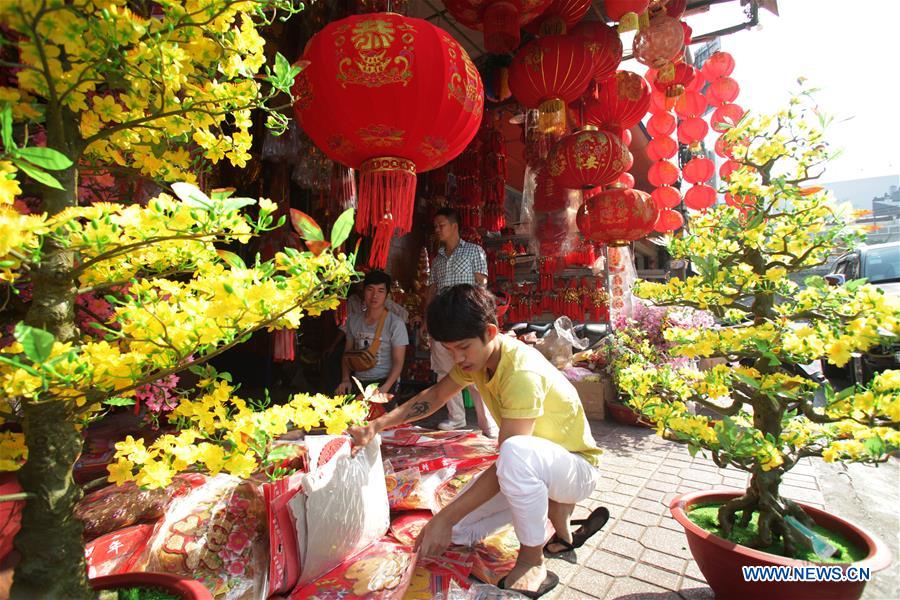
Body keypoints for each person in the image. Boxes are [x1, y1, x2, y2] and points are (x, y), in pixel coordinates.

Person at [349, 285, 608, 598]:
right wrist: (375, 425)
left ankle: (532, 559)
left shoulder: (520, 371)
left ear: (490, 331)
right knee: (456, 532)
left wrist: (445, 517)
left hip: (577, 468)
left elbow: (509, 462)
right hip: (541, 462)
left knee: (511, 457)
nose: (457, 358)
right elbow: (434, 397)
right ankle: (560, 524)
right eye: (449, 349)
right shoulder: (479, 360)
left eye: (463, 348)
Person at [426, 207, 499, 437]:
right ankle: (456, 418)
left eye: (442, 225)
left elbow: (482, 285)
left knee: (476, 368)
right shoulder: (436, 259)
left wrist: (478, 316)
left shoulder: (474, 251)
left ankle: (487, 422)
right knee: (444, 370)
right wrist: (427, 319)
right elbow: (432, 290)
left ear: (454, 226)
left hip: (466, 315)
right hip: (441, 317)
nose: (437, 230)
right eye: (435, 226)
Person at [336, 270, 408, 396]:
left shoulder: (396, 324)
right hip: (358, 381)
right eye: (370, 289)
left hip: (384, 382)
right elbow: (347, 354)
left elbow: (398, 362)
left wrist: (384, 388)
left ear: (387, 295)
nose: (375, 295)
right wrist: (345, 379)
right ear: (363, 291)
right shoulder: (353, 320)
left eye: (380, 291)